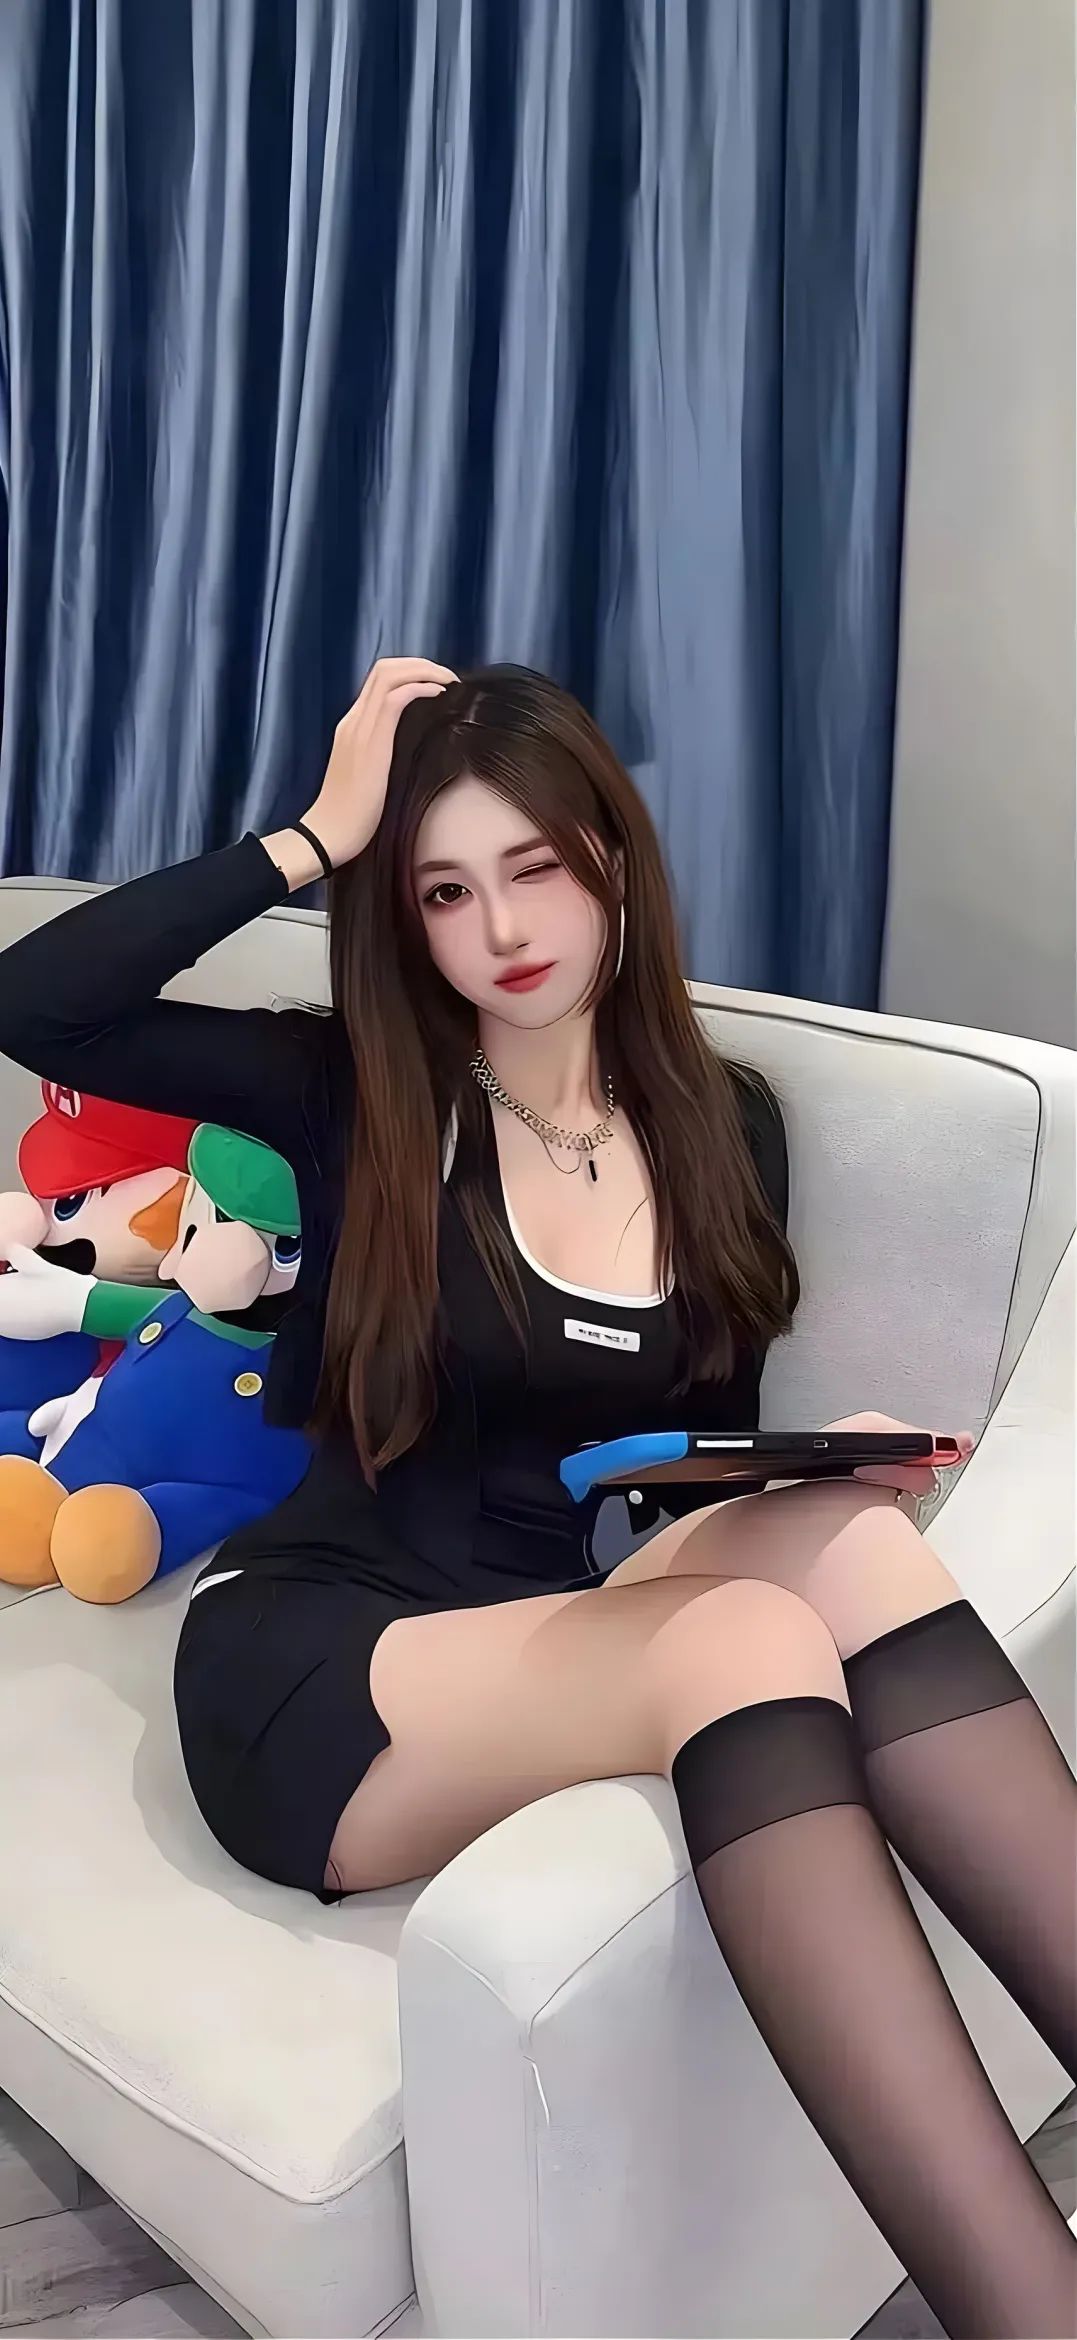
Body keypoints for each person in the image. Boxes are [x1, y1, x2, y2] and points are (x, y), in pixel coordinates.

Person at [0, 659, 1072, 2337]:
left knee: (852, 1543)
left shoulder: (722, 1125)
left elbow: (658, 1473)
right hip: (325, 1652)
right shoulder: (361, 1090)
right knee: (736, 1645)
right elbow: (38, 1004)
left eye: (534, 867)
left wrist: (792, 1472)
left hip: (554, 1606)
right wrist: (312, 837)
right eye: (443, 888)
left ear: (611, 863)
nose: (499, 926)